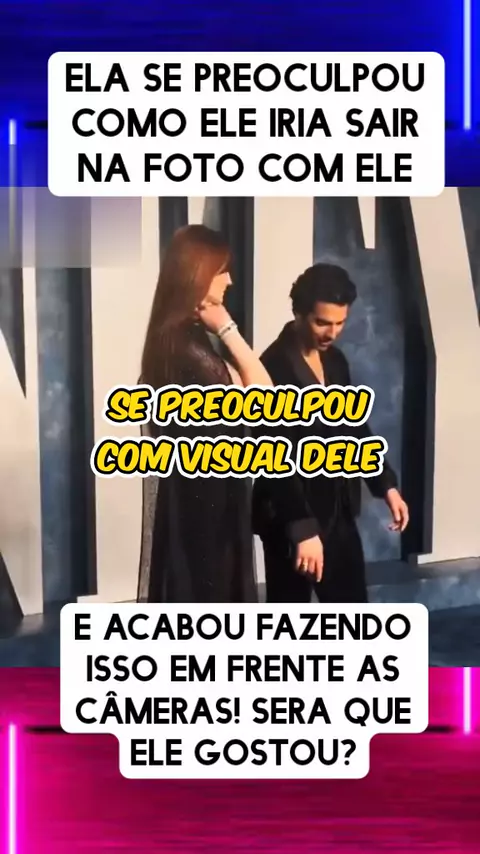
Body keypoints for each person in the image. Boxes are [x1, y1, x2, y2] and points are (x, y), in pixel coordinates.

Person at [137, 225, 322, 602]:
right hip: (207, 513)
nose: (230, 281)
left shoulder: (176, 341)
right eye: (222, 271)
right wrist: (227, 328)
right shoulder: (189, 353)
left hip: (201, 505)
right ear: (199, 275)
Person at [252, 262, 409, 603]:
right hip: (289, 515)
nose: (332, 332)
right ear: (298, 313)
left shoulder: (336, 361)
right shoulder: (269, 369)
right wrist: (302, 529)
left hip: (338, 510)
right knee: (289, 619)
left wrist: (386, 486)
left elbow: (355, 428)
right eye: (322, 322)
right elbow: (273, 457)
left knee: (353, 615)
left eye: (340, 322)